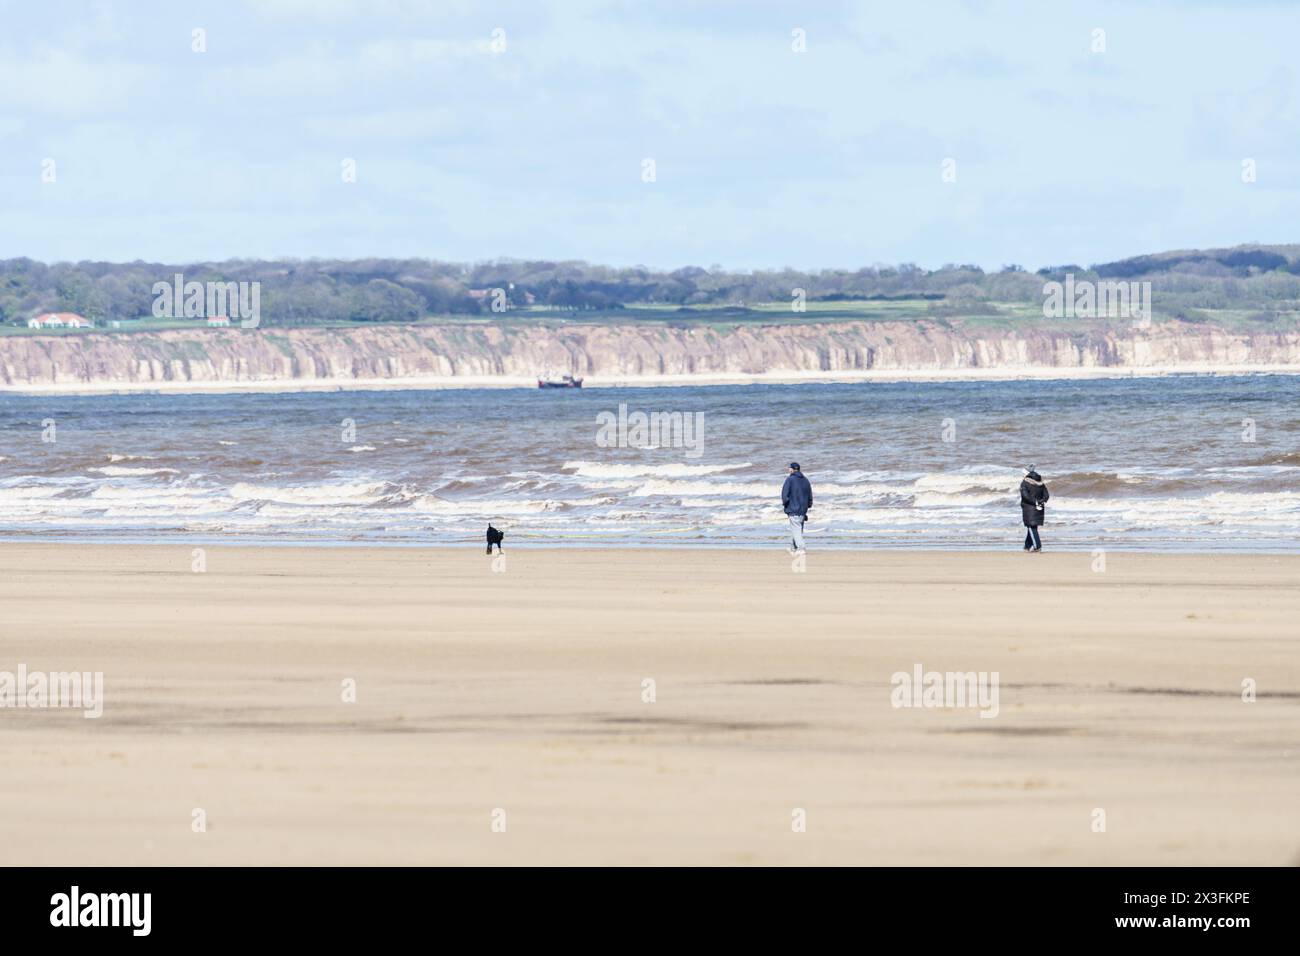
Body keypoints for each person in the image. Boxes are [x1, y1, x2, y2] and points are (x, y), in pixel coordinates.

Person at [781, 462, 813, 554]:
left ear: (792, 469)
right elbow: (810, 496)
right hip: (803, 510)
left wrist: (785, 504)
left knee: (796, 529)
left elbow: (784, 495)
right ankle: (793, 547)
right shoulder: (806, 480)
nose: (788, 470)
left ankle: (801, 548)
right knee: (798, 530)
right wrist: (809, 505)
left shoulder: (790, 479)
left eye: (789, 468)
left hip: (793, 509)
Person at [1019, 465, 1049, 552]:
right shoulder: (1041, 482)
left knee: (1031, 527)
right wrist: (1041, 501)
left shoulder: (1024, 483)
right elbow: (1046, 495)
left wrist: (1035, 502)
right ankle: (1027, 546)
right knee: (1032, 526)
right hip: (1039, 507)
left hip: (1029, 508)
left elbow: (1025, 496)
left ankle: (1037, 546)